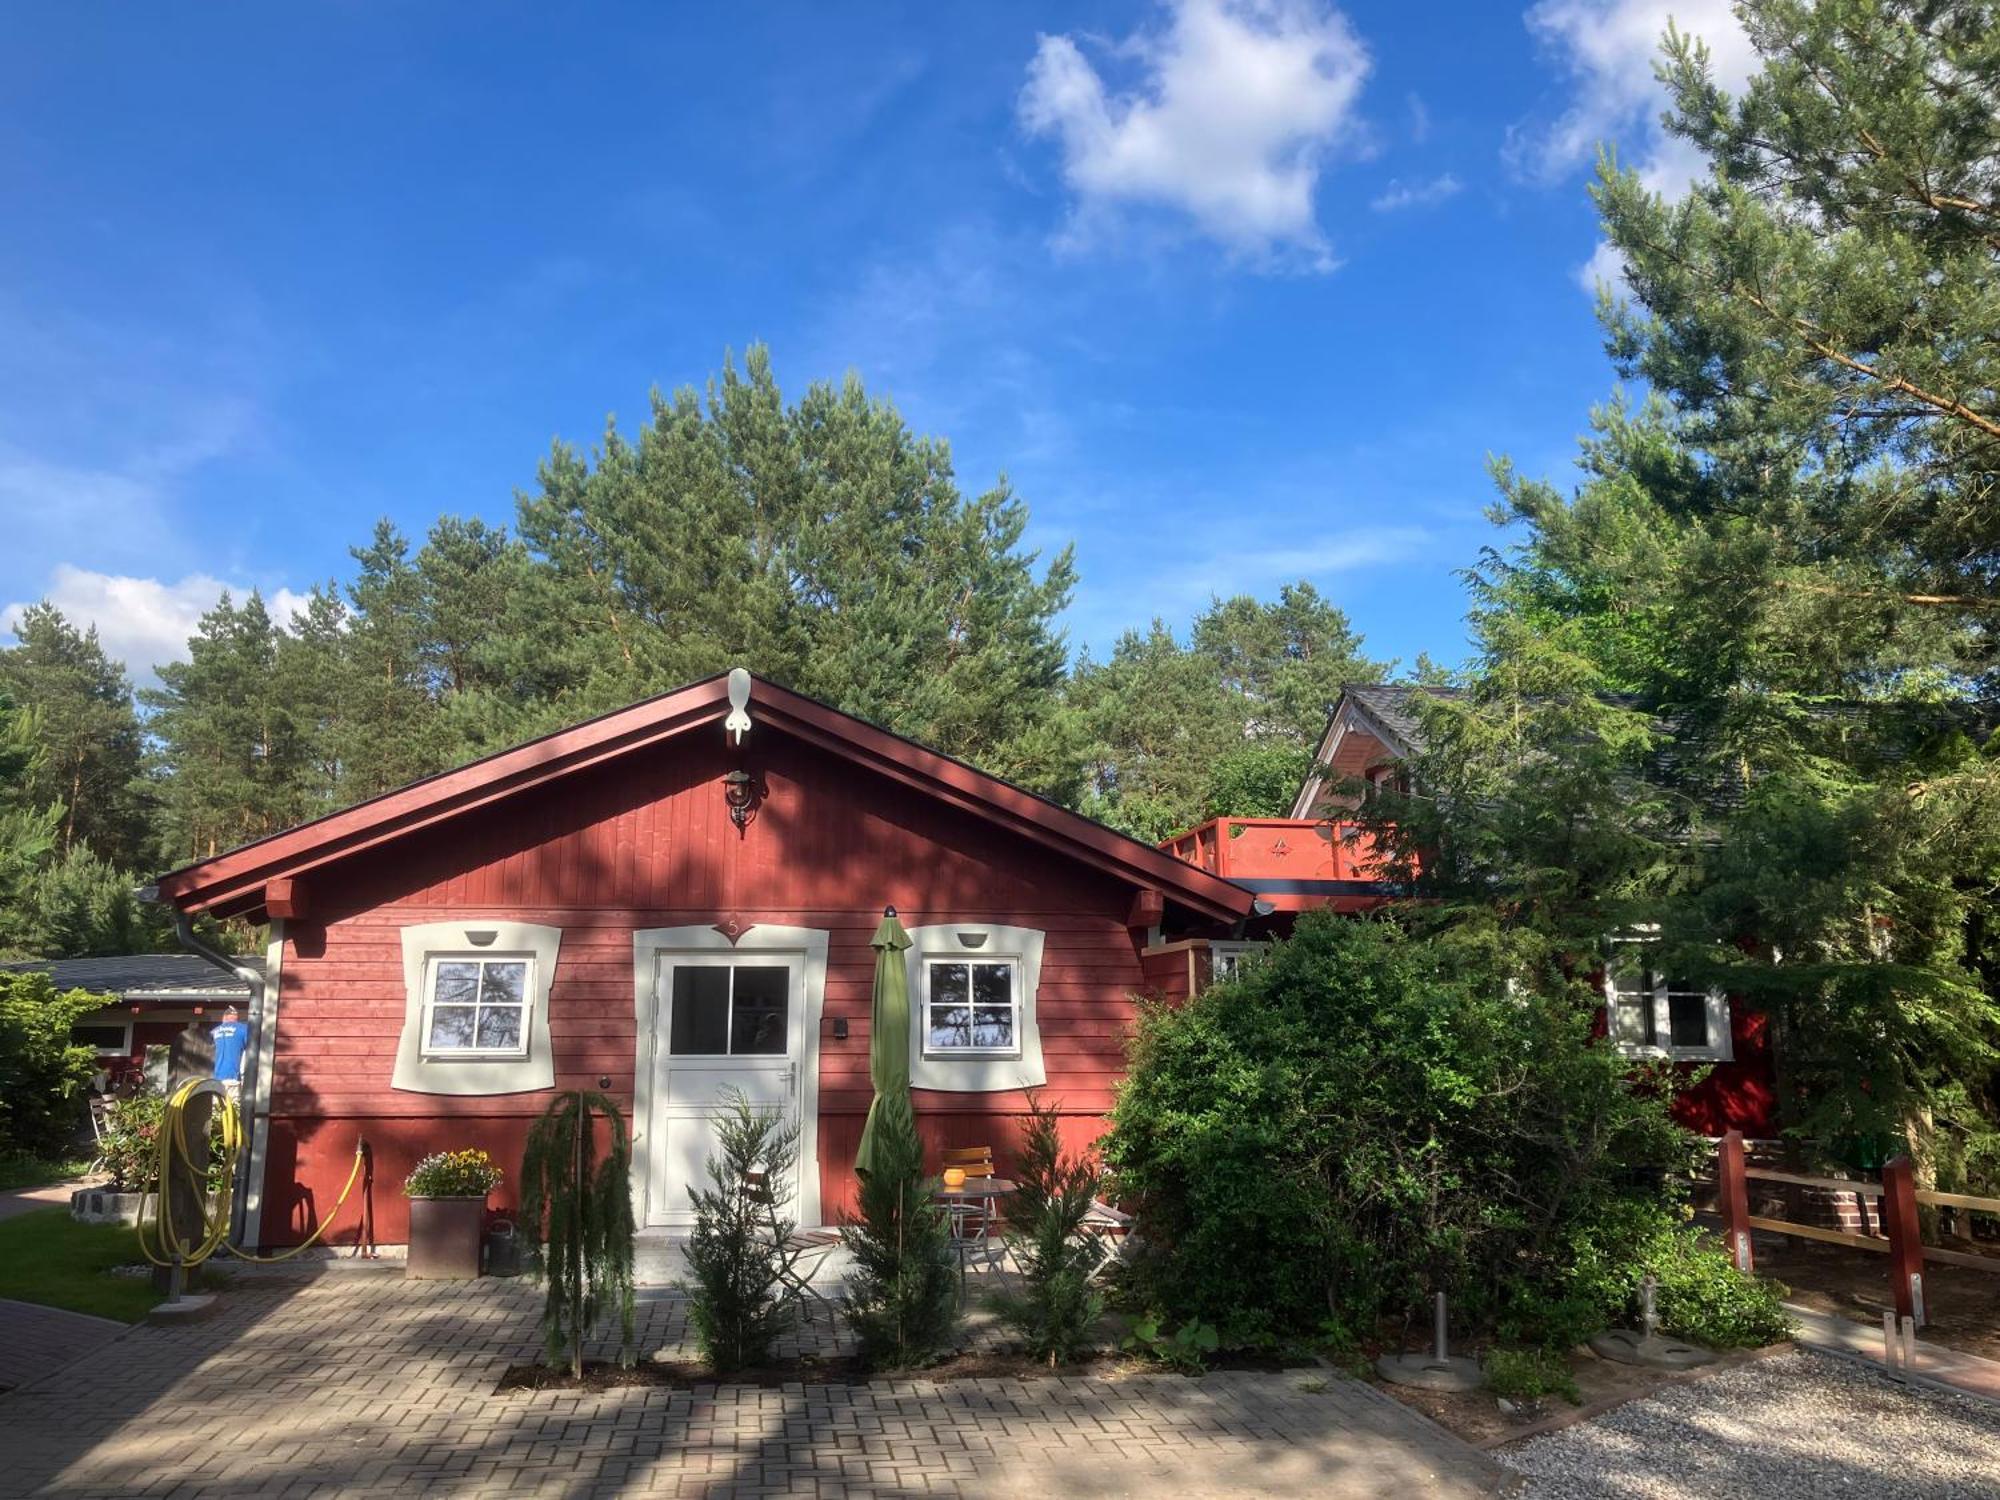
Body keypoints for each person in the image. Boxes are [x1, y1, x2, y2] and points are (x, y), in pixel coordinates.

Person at [211, 1005, 250, 1102]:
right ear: (237, 1018)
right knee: (233, 1110)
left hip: (216, 1079)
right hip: (233, 1077)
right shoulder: (244, 1029)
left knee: (217, 1112)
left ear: (224, 1018)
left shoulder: (214, 1031)